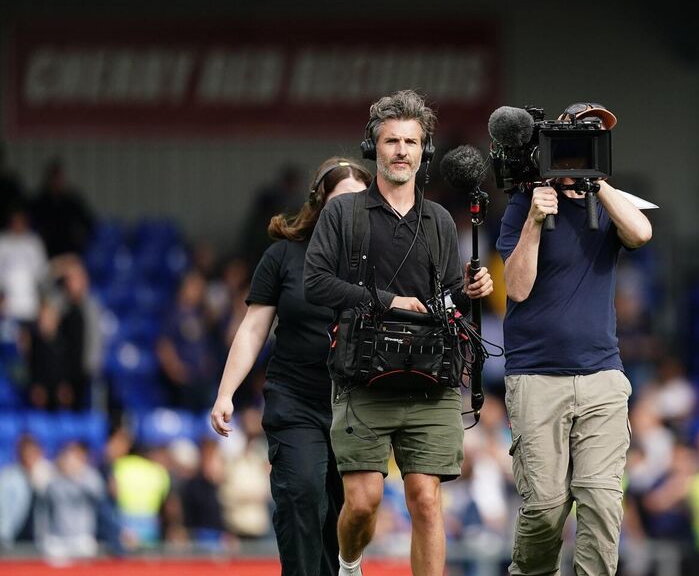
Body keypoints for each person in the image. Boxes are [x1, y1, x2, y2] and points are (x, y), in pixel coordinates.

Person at [304, 90, 493, 576]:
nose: (402, 151)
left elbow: (452, 297)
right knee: (363, 502)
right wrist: (387, 302)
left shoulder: (441, 222)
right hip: (363, 376)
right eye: (392, 141)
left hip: (430, 380)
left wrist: (473, 289)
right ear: (374, 148)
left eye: (412, 141)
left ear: (424, 150)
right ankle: (349, 564)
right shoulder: (342, 214)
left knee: (426, 500)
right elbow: (315, 282)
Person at [497, 102, 652, 575]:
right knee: (544, 508)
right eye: (576, 139)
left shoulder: (608, 202)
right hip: (537, 377)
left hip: (602, 375)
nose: (584, 147)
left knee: (603, 504)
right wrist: (534, 221)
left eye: (595, 138)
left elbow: (641, 233)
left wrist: (597, 182)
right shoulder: (524, 203)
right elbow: (518, 288)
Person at [209, 156, 371, 576]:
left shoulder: (382, 258)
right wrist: (225, 393)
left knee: (347, 510)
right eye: (339, 201)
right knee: (301, 496)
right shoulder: (283, 256)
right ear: (319, 203)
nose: (347, 212)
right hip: (295, 400)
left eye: (358, 201)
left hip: (359, 406)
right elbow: (252, 329)